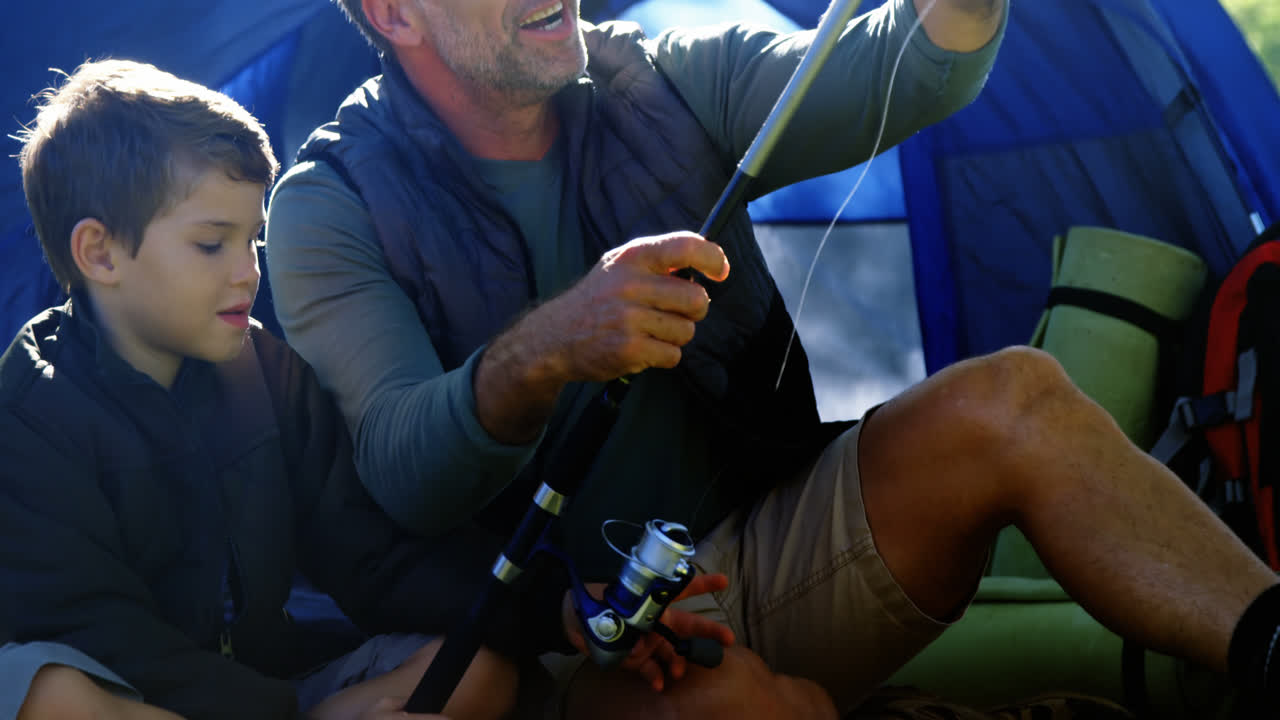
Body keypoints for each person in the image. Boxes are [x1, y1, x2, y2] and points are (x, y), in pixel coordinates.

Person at [263, 0, 1280, 715]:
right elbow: (405, 471)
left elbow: (894, 68)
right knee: (744, 708)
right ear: (393, 15)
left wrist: (956, 11)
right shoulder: (326, 202)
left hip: (759, 550)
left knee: (1014, 395)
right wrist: (541, 351)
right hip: (558, 638)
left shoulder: (655, 76)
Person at [0, 58, 728, 720]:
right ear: (99, 253)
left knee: (475, 667)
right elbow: (111, 641)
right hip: (143, 699)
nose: (248, 270)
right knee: (54, 696)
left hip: (267, 689)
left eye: (253, 238)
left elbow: (376, 556)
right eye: (211, 242)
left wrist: (558, 609)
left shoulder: (259, 369)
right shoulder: (35, 416)